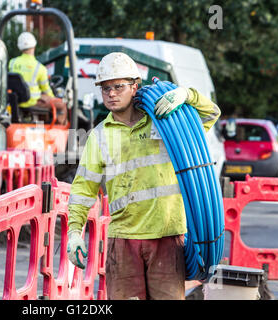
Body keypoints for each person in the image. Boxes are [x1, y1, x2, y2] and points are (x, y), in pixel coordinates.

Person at [66, 52, 221, 300]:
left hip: (167, 237)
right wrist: (74, 232)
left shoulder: (166, 122)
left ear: (135, 86)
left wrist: (186, 95)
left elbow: (211, 114)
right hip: (123, 239)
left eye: (118, 86)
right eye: (105, 88)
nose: (111, 93)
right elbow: (84, 188)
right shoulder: (99, 135)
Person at [9, 31, 67, 125]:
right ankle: (59, 131)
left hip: (15, 102)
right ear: (34, 46)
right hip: (32, 102)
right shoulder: (39, 68)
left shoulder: (12, 62)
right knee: (62, 105)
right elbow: (47, 90)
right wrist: (53, 98)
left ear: (19, 47)